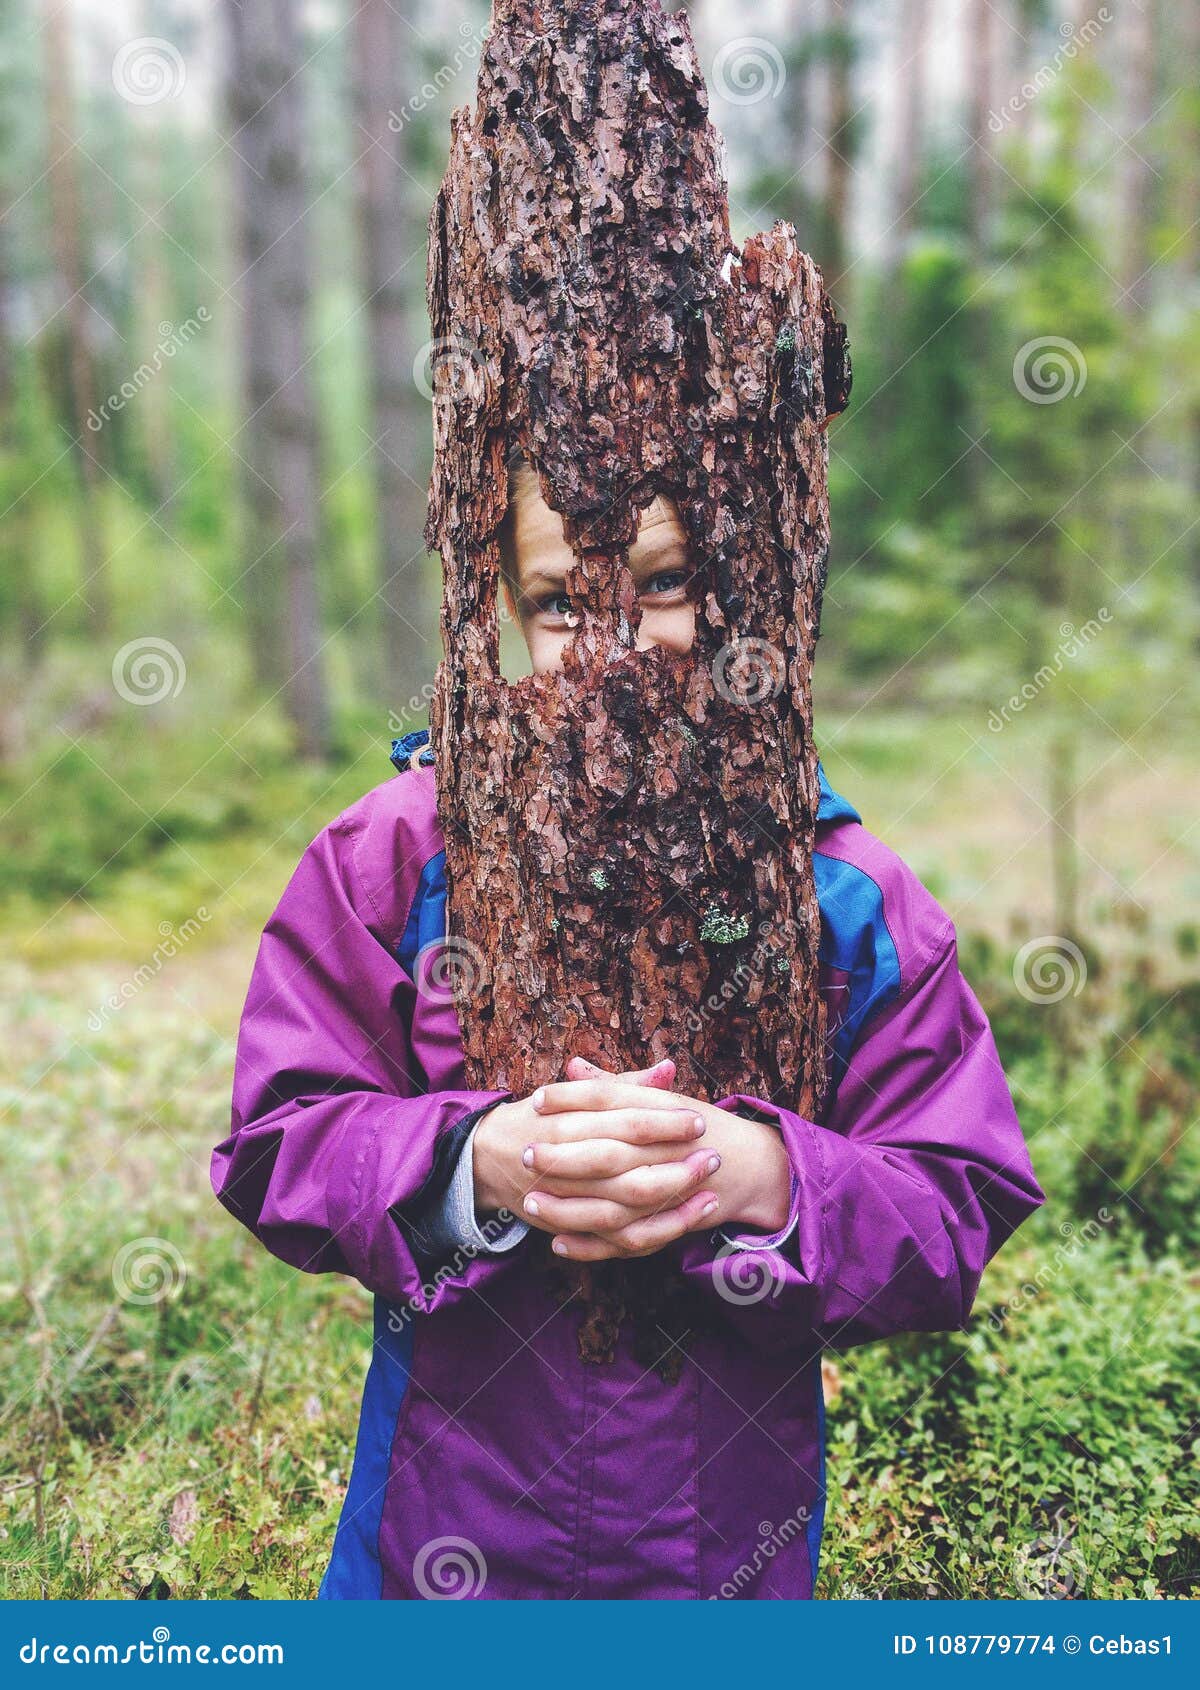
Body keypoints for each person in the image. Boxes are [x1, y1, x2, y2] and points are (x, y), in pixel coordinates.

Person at [212, 459, 1045, 1600]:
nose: (611, 645)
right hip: (436, 1552)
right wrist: (471, 1165)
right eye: (560, 600)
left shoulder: (843, 897)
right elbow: (279, 1139)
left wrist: (768, 1177)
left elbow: (958, 1197)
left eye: (664, 583)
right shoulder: (397, 858)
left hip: (721, 1560)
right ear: (503, 606)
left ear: (743, 585)